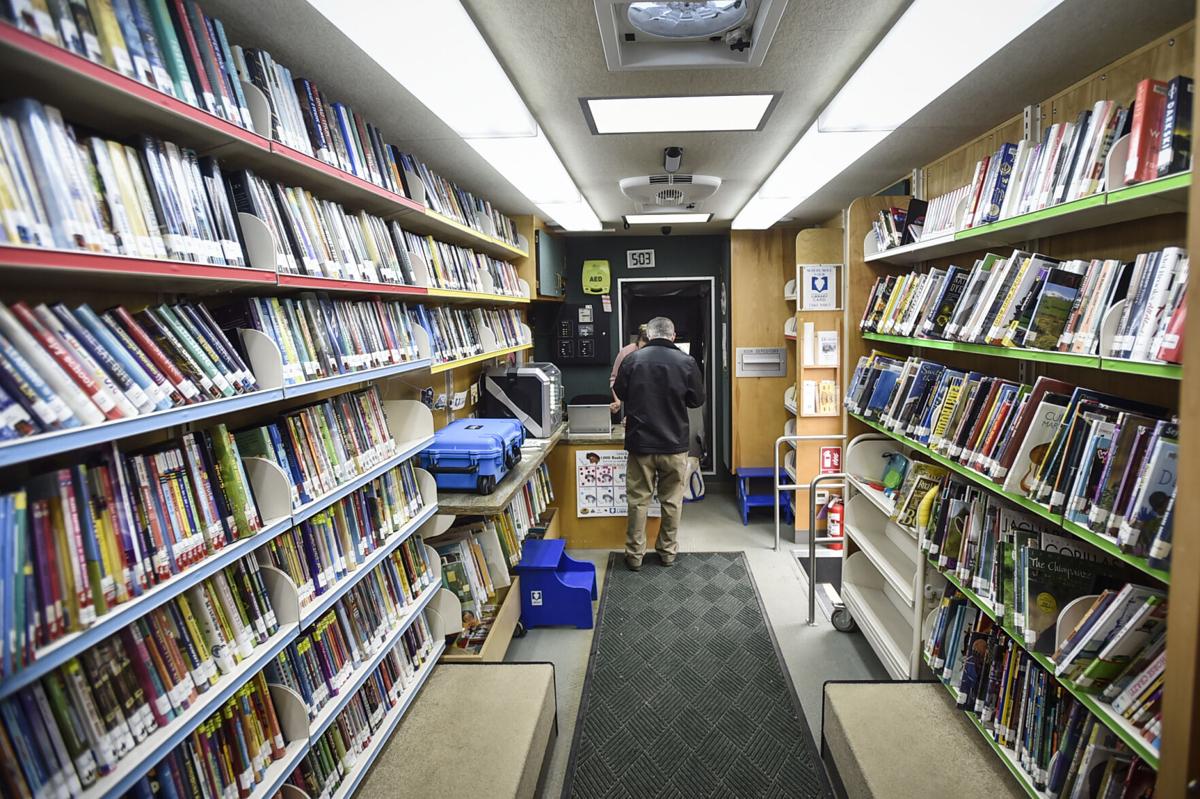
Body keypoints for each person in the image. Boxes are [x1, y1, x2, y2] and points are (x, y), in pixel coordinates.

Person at [612, 316, 705, 570]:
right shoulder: (687, 362)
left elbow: (620, 392)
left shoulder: (633, 359)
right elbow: (697, 400)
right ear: (672, 336)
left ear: (649, 335)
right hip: (674, 444)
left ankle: (634, 556)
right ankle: (667, 553)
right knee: (672, 501)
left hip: (640, 443)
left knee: (638, 501)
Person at [609, 325, 648, 413]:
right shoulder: (626, 352)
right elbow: (614, 378)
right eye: (642, 348)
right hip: (631, 400)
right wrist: (618, 401)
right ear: (638, 341)